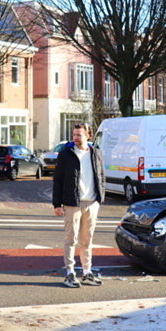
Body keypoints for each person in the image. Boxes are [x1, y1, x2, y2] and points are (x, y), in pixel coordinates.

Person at [51, 122, 106, 288]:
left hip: (92, 203)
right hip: (72, 203)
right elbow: (58, 180)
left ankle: (87, 272)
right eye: (74, 135)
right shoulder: (66, 154)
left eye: (79, 135)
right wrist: (57, 203)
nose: (75, 138)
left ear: (88, 136)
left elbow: (101, 175)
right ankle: (69, 273)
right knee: (70, 240)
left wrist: (99, 198)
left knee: (87, 240)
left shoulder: (96, 153)